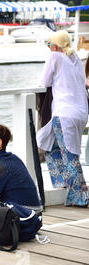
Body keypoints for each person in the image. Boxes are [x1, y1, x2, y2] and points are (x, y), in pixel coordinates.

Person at [37, 30, 88, 207]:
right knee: (50, 146)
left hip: (64, 114)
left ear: (55, 46)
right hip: (80, 113)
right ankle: (62, 182)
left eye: (49, 44)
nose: (49, 48)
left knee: (70, 155)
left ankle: (81, 196)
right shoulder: (75, 60)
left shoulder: (55, 57)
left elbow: (44, 83)